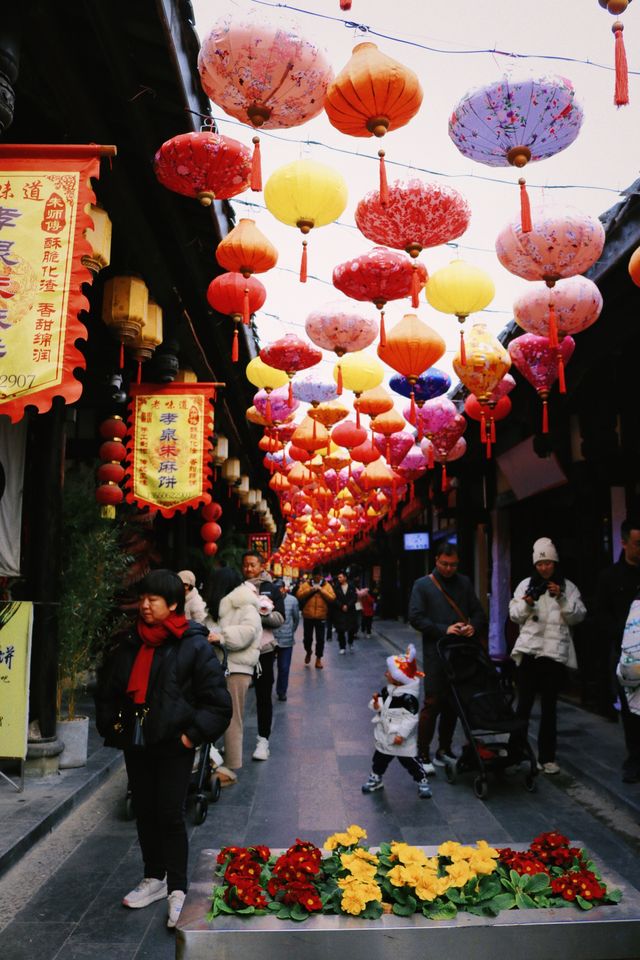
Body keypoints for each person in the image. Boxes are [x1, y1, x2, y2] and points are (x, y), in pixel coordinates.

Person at [94, 569, 231, 929]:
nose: (145, 605)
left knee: (170, 814)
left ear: (173, 604)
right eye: (142, 598)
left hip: (173, 743)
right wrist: (114, 726)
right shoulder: (129, 642)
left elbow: (217, 704)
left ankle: (178, 889)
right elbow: (109, 689)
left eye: (153, 599)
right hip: (136, 741)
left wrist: (189, 737)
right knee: (145, 810)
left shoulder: (193, 644)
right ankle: (154, 878)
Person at [509, 537, 586, 775]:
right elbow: (513, 615)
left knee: (550, 708)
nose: (544, 568)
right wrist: (527, 603)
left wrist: (561, 597)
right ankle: (515, 751)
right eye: (540, 564)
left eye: (549, 563)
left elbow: (578, 617)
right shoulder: (525, 585)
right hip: (530, 653)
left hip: (553, 655)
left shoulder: (569, 587)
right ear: (535, 565)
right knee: (523, 705)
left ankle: (547, 756)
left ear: (555, 563)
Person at [408, 542, 487, 772]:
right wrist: (444, 629)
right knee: (433, 702)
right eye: (445, 564)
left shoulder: (464, 583)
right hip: (436, 653)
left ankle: (444, 748)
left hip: (462, 653)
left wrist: (473, 626)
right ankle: (422, 753)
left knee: (455, 703)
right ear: (436, 560)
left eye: (453, 565)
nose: (449, 569)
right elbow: (415, 617)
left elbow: (478, 612)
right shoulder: (422, 585)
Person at [594, 518, 640, 783]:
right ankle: (634, 759)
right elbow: (601, 614)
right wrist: (624, 637)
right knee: (631, 708)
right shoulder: (610, 577)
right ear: (623, 542)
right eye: (637, 543)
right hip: (626, 654)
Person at [207, 579, 263, 785]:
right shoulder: (223, 606)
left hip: (238, 668)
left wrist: (220, 636)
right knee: (221, 714)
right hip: (221, 667)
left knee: (233, 717)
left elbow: (248, 633)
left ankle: (231, 767)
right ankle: (213, 760)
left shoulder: (245, 605)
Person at [361, 644, 432, 799]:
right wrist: (376, 704)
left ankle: (422, 780)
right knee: (379, 759)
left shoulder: (408, 698)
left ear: (400, 679)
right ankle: (376, 778)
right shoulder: (389, 690)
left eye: (390, 672)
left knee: (410, 761)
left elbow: (411, 718)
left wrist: (402, 734)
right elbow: (382, 705)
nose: (386, 673)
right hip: (385, 735)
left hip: (401, 739)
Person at [241, 550, 285, 761]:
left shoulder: (272, 589)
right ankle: (230, 742)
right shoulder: (237, 588)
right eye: (246, 565)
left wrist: (259, 611)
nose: (248, 569)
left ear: (261, 566)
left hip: (264, 651)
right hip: (239, 650)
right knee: (232, 698)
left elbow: (279, 619)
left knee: (263, 697)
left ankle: (263, 740)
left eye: (252, 565)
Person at [295, 569, 336, 668]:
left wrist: (322, 591)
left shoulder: (327, 585)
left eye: (319, 576)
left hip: (321, 616)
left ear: (321, 576)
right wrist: (311, 590)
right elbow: (298, 595)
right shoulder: (306, 585)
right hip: (308, 616)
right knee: (307, 639)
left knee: (320, 639)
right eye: (315, 576)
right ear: (312, 576)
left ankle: (318, 659)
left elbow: (332, 597)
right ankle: (308, 651)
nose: (317, 578)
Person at [273, 579, 301, 699]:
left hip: (286, 639)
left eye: (279, 588)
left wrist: (290, 631)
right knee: (268, 668)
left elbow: (296, 619)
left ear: (284, 588)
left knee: (284, 667)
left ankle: (281, 691)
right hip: (271, 639)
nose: (278, 591)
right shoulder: (268, 600)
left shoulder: (292, 600)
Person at [333, 570, 359, 654]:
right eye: (338, 577)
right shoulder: (336, 587)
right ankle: (342, 646)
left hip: (350, 610)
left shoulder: (351, 586)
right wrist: (341, 606)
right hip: (340, 611)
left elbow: (354, 598)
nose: (339, 579)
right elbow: (334, 598)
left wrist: (348, 605)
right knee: (340, 630)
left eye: (340, 577)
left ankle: (350, 642)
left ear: (345, 577)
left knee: (351, 629)